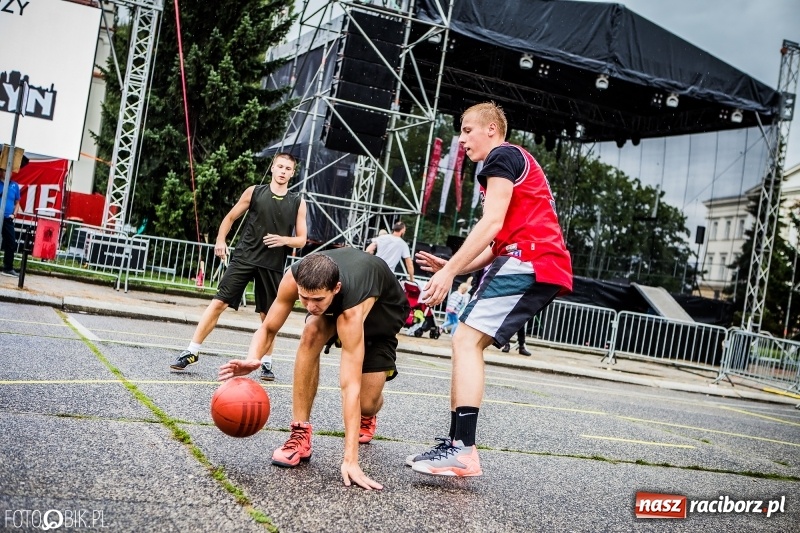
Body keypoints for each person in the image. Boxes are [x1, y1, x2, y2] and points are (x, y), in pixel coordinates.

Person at [409, 102, 572, 477]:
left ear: (491, 130)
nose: (462, 139)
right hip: (521, 257)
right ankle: (457, 446)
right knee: (466, 341)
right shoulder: (508, 166)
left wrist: (450, 271)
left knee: (465, 341)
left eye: (467, 130)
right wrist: (455, 265)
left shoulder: (501, 156)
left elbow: (492, 223)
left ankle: (462, 450)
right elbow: (492, 244)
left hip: (528, 259)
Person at [218, 247, 409, 490]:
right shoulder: (294, 277)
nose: (309, 306)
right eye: (304, 298)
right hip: (343, 302)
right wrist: (253, 357)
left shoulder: (350, 310)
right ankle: (300, 435)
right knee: (310, 331)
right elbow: (268, 328)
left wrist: (351, 459)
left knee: (365, 402)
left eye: (317, 299)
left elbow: (349, 385)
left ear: (336, 288)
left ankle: (369, 415)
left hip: (382, 316)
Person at [170, 153, 307, 381]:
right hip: (244, 258)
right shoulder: (254, 192)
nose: (283, 171)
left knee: (268, 317)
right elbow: (230, 217)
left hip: (272, 265)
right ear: (272, 168)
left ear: (293, 173)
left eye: (288, 168)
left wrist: (284, 240)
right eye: (280, 166)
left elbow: (302, 239)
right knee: (218, 303)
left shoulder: (298, 202)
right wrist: (221, 240)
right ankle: (191, 351)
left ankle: (266, 363)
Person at [0, 157, 24, 277]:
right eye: (5, 171)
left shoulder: (14, 186)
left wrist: (14, 214)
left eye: (9, 171)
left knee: (11, 242)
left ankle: (7, 267)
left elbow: (17, 202)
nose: (7, 173)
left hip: (7, 218)